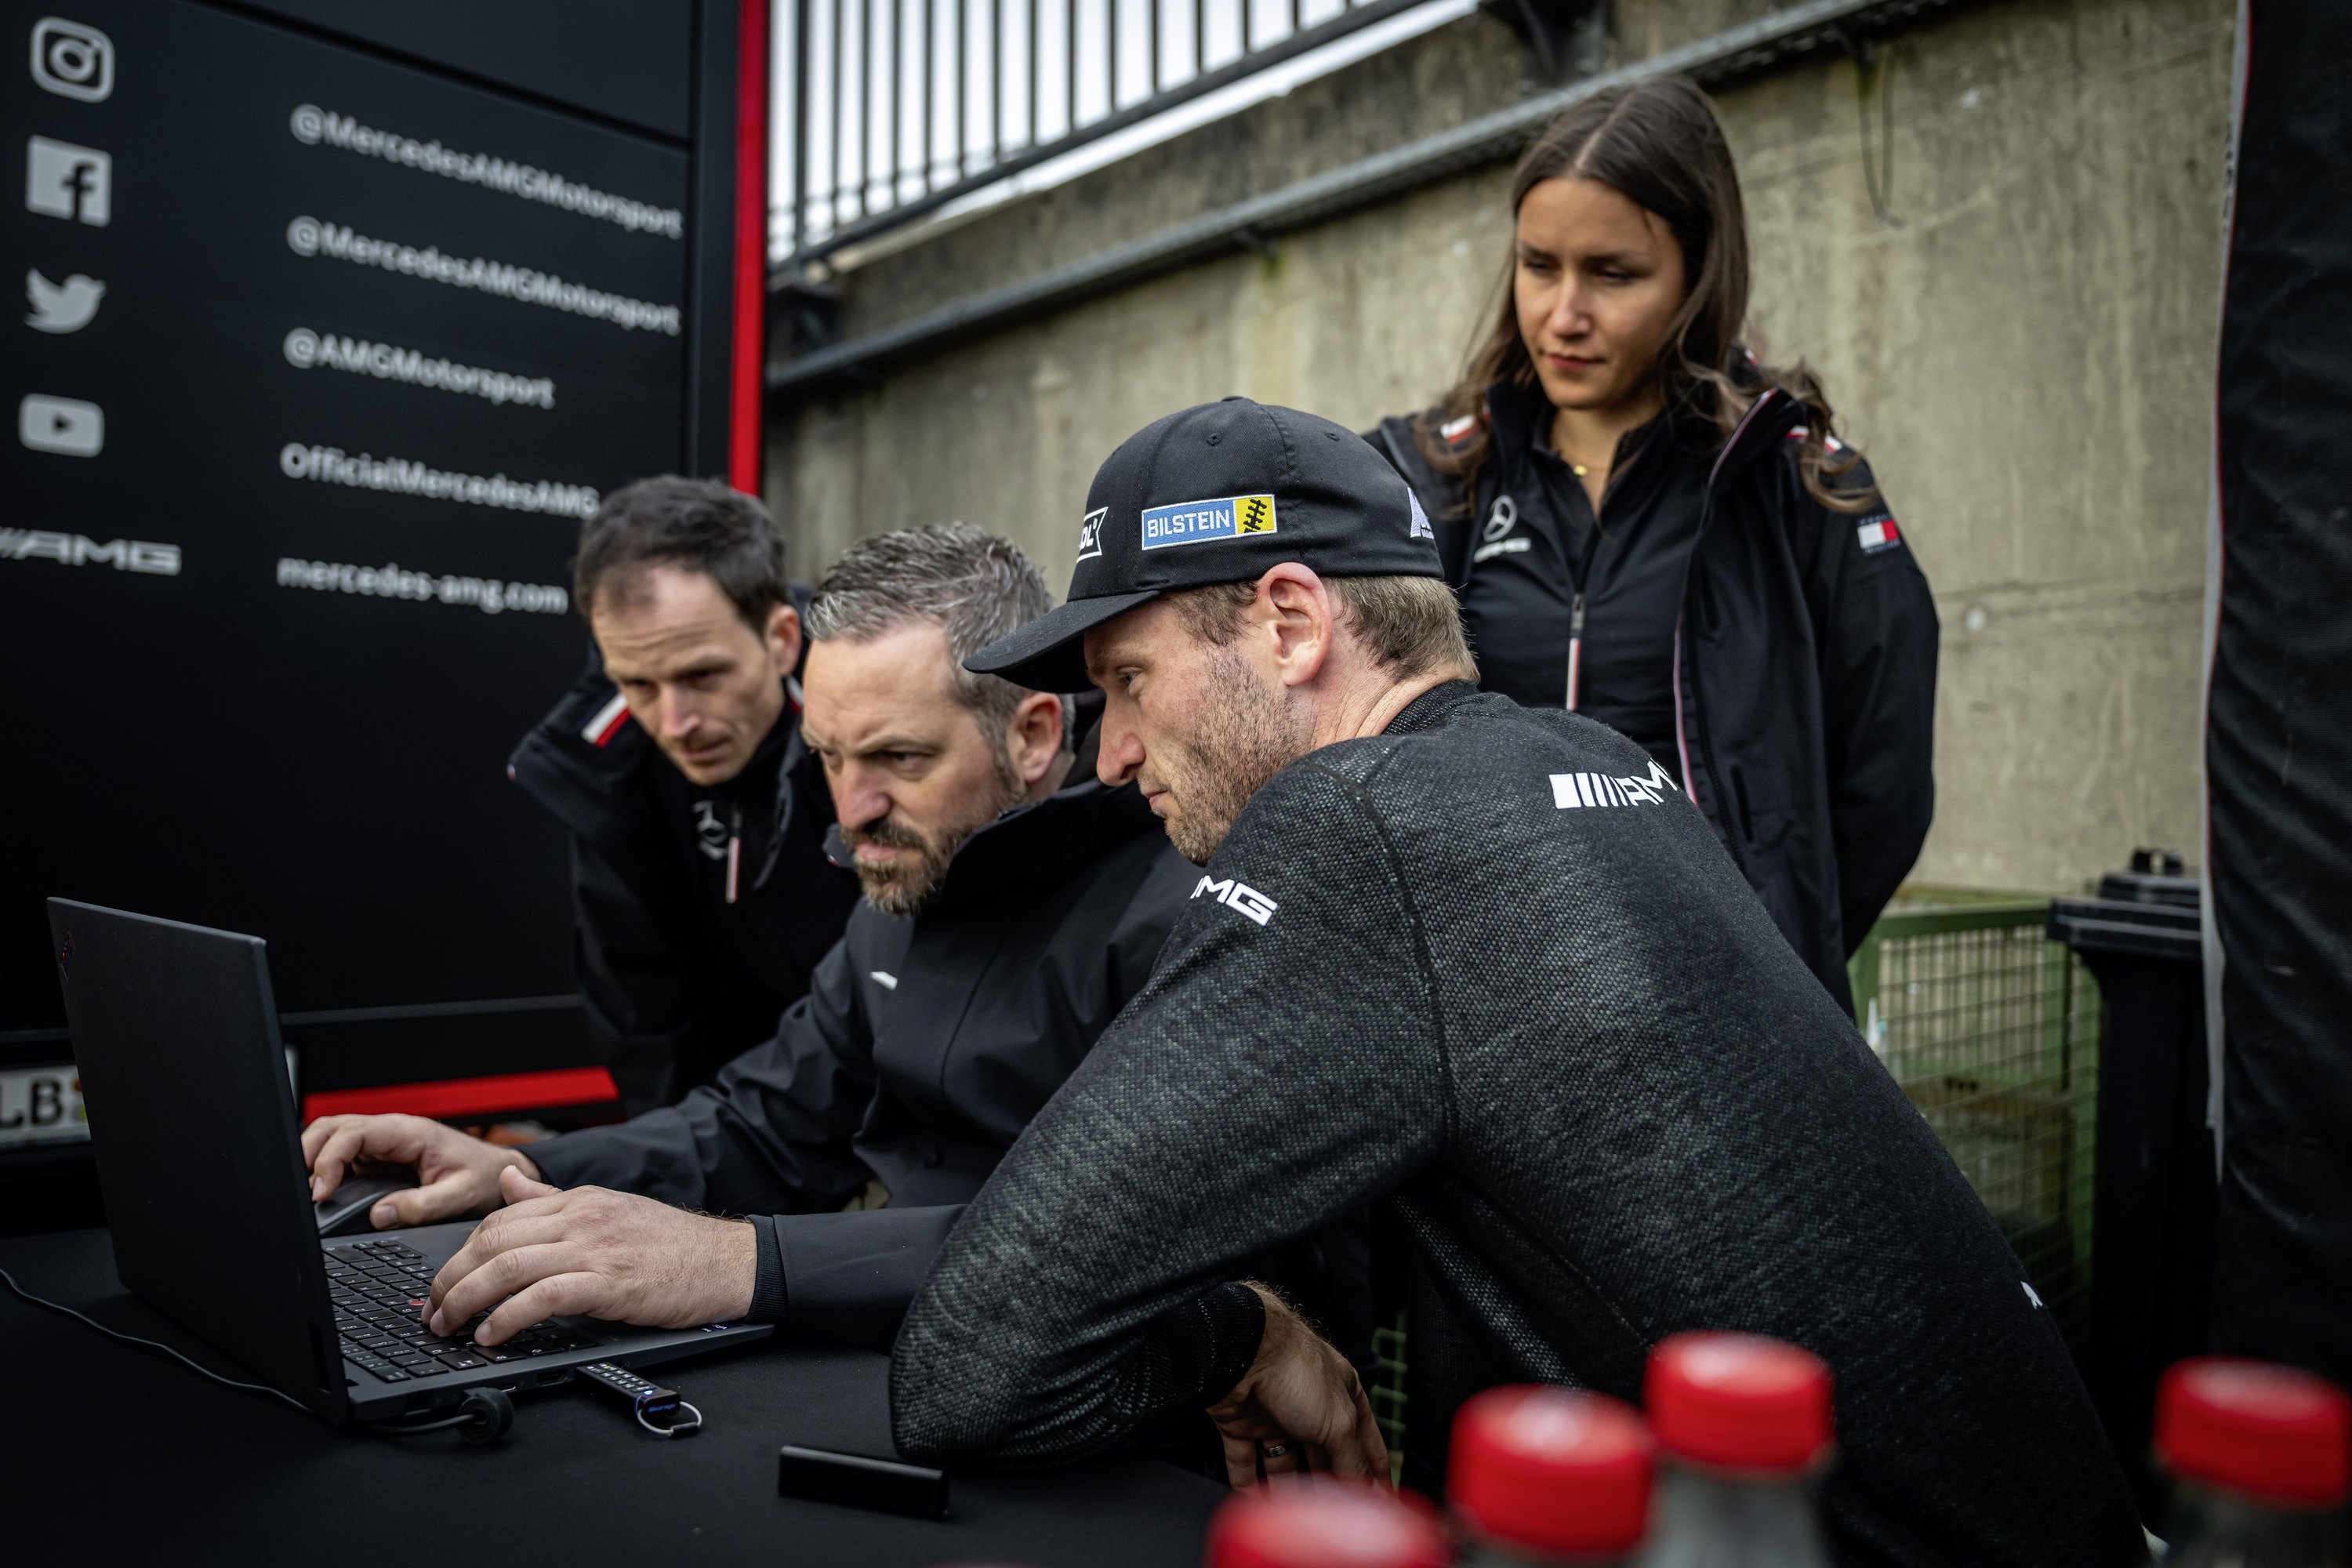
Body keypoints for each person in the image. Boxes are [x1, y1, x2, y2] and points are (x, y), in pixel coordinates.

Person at [891, 398, 2145, 1566]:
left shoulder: (1363, 824)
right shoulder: (1591, 761)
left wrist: (1247, 1337)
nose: (1112, 754)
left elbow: (972, 1359)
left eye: (1129, 680)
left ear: (1289, 621)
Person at [306, 527, 1367, 1375]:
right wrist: (520, 1169)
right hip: (877, 1353)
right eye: (827, 758)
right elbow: (762, 1125)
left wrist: (739, 1263)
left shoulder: (1180, 909)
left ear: (1036, 734)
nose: (853, 810)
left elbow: (1107, 1246)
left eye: (899, 757)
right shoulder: (903, 876)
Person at [1363, 78, 1937, 1013]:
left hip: (1717, 1017)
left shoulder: (1795, 480)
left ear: (1699, 273)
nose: (1564, 314)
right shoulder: (1435, 473)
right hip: (1484, 1004)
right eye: (1539, 265)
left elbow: (1887, 783)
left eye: (1614, 274)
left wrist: (1765, 949)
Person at [510, 477, 859, 1112]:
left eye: (703, 676)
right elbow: (648, 1031)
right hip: (727, 1133)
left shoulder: (880, 713)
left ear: (782, 639)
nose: (675, 723)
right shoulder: (598, 768)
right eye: (637, 683)